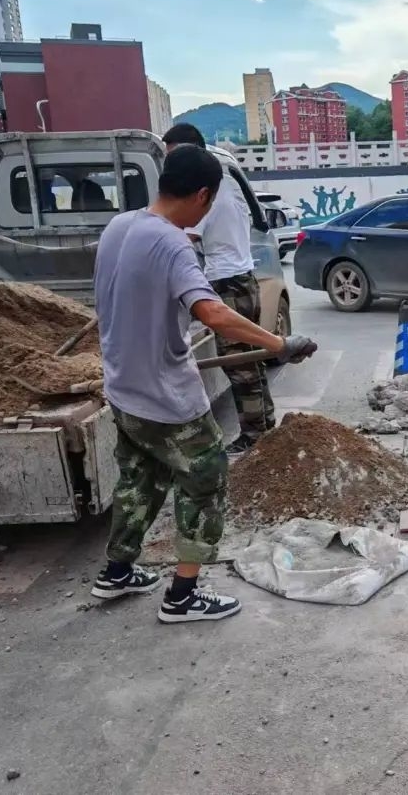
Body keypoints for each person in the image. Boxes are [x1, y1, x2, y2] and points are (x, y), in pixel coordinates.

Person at [90, 143, 317, 623]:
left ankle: (117, 572)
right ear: (201, 194)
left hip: (123, 390)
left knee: (140, 480)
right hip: (166, 397)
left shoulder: (118, 226)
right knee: (206, 480)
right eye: (210, 202)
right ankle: (184, 596)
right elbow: (212, 312)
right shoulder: (172, 243)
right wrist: (278, 345)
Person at [161, 123, 274, 451]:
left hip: (227, 284)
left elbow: (183, 235)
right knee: (251, 359)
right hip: (243, 278)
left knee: (239, 367)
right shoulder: (226, 181)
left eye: (174, 157)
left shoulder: (206, 192)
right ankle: (266, 429)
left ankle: (255, 439)